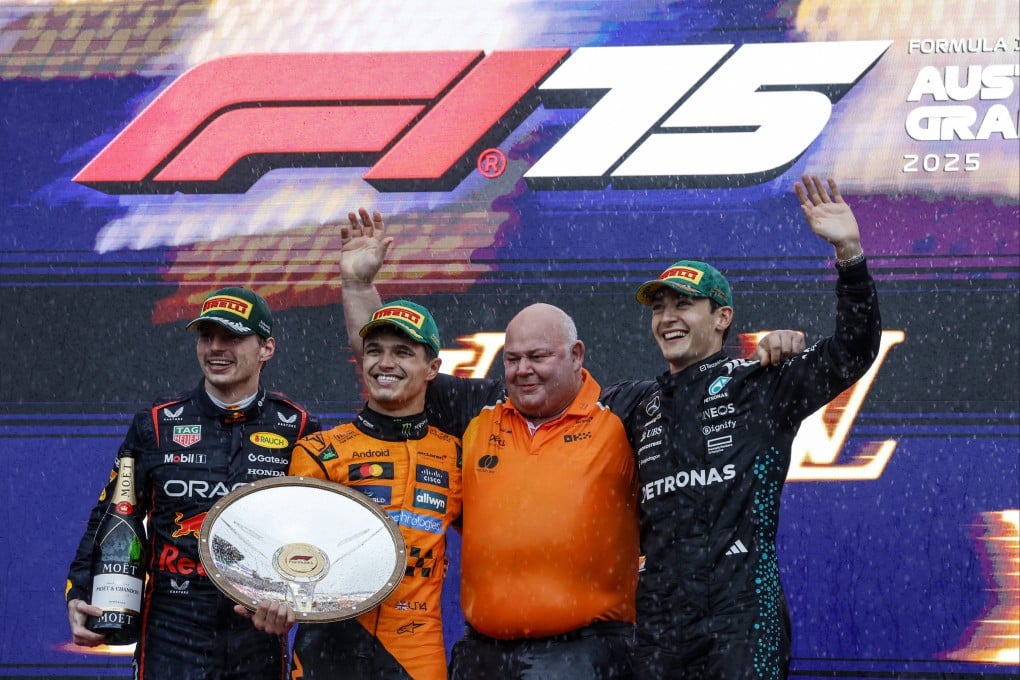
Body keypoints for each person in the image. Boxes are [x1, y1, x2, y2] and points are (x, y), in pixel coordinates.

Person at [335, 211, 804, 679]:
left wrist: (774, 351)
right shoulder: (483, 410)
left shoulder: (625, 409)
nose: (524, 370)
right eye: (513, 358)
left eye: (539, 357)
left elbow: (700, 384)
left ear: (576, 356)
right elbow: (393, 371)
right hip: (482, 656)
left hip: (587, 655)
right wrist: (358, 287)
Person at [629, 175, 882, 679]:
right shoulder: (634, 402)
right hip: (660, 623)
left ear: (722, 317)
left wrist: (849, 255)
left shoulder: (761, 382)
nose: (667, 318)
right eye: (658, 307)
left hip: (743, 617)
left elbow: (853, 350)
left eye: (683, 304)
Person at [66, 287, 321, 680]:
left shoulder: (298, 427)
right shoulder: (155, 424)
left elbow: (313, 532)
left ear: (266, 348)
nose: (215, 348)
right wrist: (80, 590)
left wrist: (296, 601)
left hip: (256, 629)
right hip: (172, 625)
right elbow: (114, 511)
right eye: (206, 337)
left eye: (232, 337)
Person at [279, 299, 462, 680]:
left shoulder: (457, 456)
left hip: (415, 654)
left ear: (433, 369)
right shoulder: (319, 451)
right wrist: (270, 603)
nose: (385, 363)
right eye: (374, 351)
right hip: (327, 650)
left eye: (403, 353)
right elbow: (285, 557)